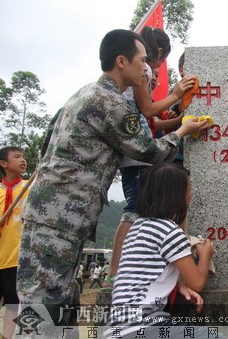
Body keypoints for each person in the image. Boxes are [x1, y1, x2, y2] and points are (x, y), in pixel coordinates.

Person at [16, 29, 210, 334]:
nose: (146, 69)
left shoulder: (82, 93)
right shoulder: (112, 103)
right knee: (43, 304)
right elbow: (150, 150)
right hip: (60, 217)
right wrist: (183, 131)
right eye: (143, 61)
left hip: (55, 214)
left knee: (59, 300)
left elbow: (47, 145)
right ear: (121, 61)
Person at [108, 27, 196, 281]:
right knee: (135, 208)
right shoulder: (143, 71)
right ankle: (116, 270)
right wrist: (176, 95)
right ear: (159, 52)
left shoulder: (134, 75)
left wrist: (180, 121)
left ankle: (123, 269)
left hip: (134, 153)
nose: (153, 67)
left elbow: (151, 122)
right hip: (138, 154)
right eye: (159, 59)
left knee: (139, 208)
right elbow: (148, 110)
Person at [106, 163, 215, 339]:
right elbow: (197, 282)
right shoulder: (169, 231)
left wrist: (179, 285)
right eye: (189, 189)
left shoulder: (137, 227)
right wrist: (205, 255)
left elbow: (148, 269)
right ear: (177, 196)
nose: (191, 195)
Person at [0, 146, 28, 339]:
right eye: (17, 157)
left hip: (16, 258)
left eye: (24, 157)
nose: (22, 159)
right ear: (3, 164)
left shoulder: (29, 187)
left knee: (12, 302)